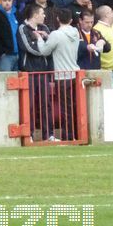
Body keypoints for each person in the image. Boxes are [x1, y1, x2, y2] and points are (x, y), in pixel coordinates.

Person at [36, 8, 81, 141]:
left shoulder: (56, 34)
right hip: (75, 73)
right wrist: (48, 36)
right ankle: (77, 134)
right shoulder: (75, 32)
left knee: (65, 109)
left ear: (57, 19)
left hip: (62, 76)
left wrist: (40, 38)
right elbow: (62, 42)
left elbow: (45, 51)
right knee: (75, 106)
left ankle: (68, 136)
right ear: (71, 20)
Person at [16, 3, 53, 141]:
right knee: (29, 104)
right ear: (35, 15)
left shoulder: (44, 28)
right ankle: (29, 134)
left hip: (43, 71)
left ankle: (48, 134)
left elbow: (51, 45)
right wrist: (42, 44)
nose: (44, 16)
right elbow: (27, 47)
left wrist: (45, 39)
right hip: (29, 71)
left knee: (46, 103)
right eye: (42, 13)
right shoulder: (23, 28)